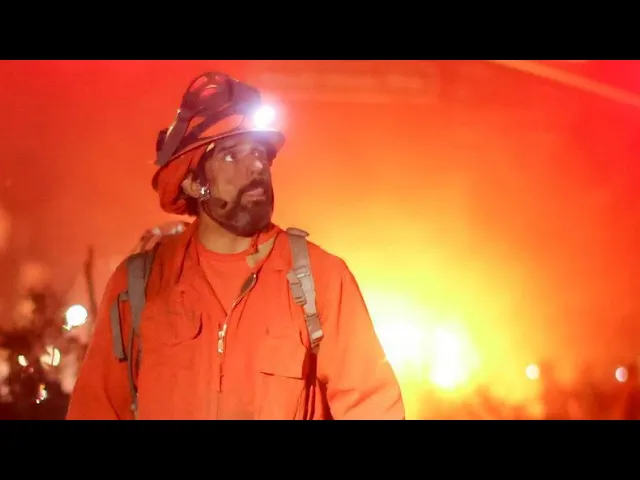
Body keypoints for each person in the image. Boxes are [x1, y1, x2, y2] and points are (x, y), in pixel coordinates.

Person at [66, 72, 404, 420]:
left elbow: (372, 406)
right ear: (194, 183)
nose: (256, 165)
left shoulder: (320, 279)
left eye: (259, 152)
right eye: (231, 156)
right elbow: (96, 408)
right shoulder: (141, 284)